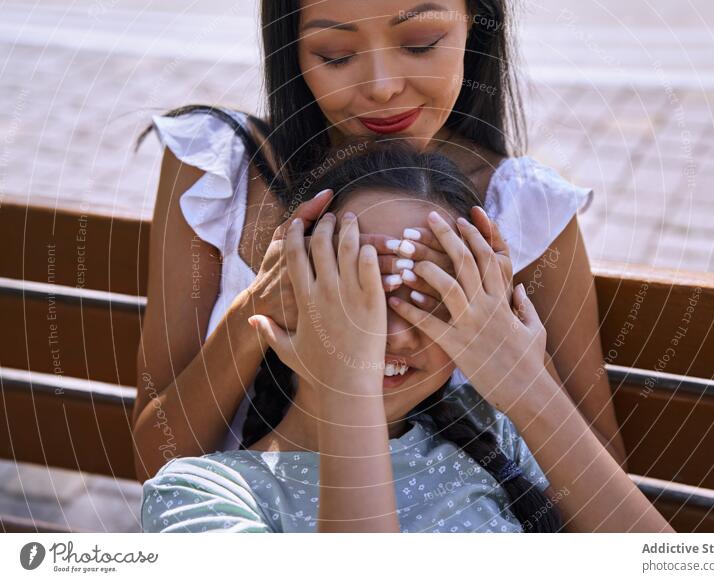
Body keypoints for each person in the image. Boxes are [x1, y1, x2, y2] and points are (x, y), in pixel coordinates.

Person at [132, 0, 627, 482]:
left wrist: (514, 365)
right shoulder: (221, 173)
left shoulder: (524, 209)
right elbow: (154, 463)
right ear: (291, 47)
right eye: (336, 55)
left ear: (473, 23)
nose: (383, 88)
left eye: (420, 43)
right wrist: (253, 316)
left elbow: (601, 491)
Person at [140, 143, 670, 533]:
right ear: (285, 295)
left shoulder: (502, 440)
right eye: (357, 292)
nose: (391, 335)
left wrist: (526, 381)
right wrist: (349, 385)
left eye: (429, 301)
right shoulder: (205, 494)